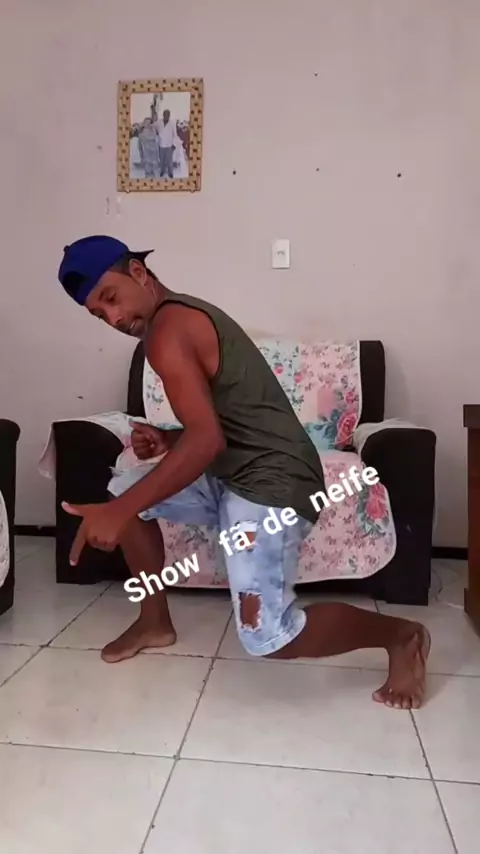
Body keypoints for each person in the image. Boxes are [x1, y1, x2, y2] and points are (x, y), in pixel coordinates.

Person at [57, 235, 430, 710]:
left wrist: (122, 509)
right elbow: (224, 422)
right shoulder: (171, 322)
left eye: (110, 298)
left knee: (267, 636)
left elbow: (208, 441)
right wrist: (169, 439)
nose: (112, 319)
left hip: (275, 479)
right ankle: (154, 622)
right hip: (234, 472)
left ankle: (402, 635)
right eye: (98, 315)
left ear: (137, 272)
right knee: (124, 489)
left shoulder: (169, 328)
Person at [155, 109, 177, 178]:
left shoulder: (172, 123)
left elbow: (175, 135)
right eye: (165, 115)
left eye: (168, 115)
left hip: (169, 145)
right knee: (162, 160)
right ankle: (162, 171)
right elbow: (154, 127)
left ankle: (170, 172)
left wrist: (174, 144)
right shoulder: (158, 122)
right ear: (163, 115)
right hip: (161, 145)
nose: (166, 116)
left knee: (169, 161)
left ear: (169, 116)